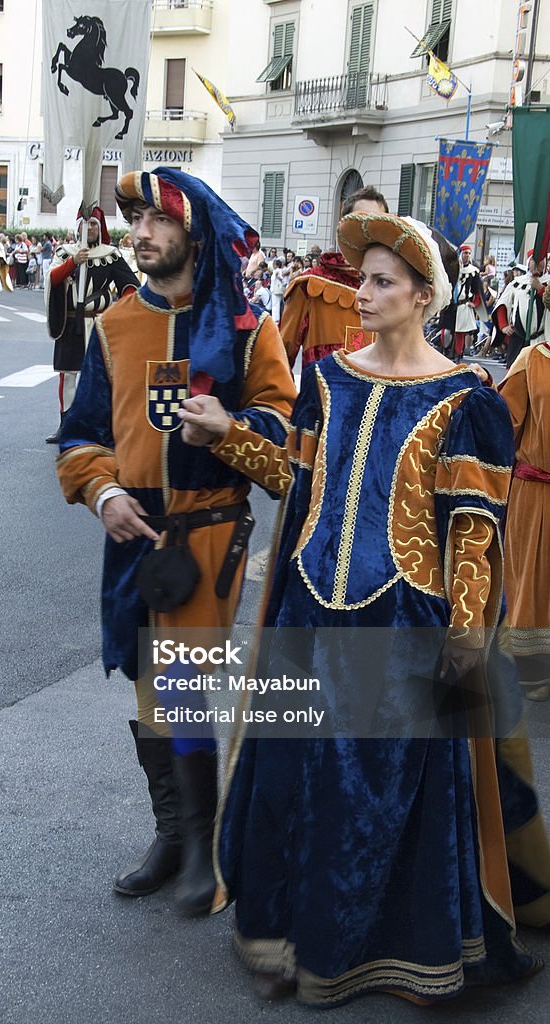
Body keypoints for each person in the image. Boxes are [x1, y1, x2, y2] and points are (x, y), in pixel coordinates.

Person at [214, 211, 550, 1007]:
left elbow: (472, 527)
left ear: (422, 296)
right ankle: (286, 934)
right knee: (291, 776)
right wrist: (225, 433)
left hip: (402, 620)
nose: (358, 292)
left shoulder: (465, 398)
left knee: (375, 791)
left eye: (379, 281)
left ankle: (365, 948)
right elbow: (296, 485)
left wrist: (466, 633)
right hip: (306, 612)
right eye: (360, 277)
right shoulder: (326, 379)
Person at [55, 167, 297, 916]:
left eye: (154, 221)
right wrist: (103, 491)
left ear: (192, 233)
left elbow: (285, 439)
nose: (139, 234)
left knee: (182, 688)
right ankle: (172, 833)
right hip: (131, 535)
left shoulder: (246, 328)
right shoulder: (115, 326)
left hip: (207, 531)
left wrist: (231, 432)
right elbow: (80, 435)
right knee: (145, 685)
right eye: (133, 222)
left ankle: (203, 849)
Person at [45, 207, 139, 444]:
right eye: (86, 224)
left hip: (100, 324)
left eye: (95, 224)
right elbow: (53, 279)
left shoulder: (111, 254)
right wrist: (73, 263)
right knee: (68, 376)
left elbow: (130, 285)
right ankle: (66, 424)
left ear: (101, 228)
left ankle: (100, 425)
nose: (91, 229)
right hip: (70, 323)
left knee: (103, 376)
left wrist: (121, 312)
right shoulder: (66, 252)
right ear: (78, 227)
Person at [279, 185, 388, 368]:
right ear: (343, 228)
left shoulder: (395, 289)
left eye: (378, 224)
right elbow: (279, 360)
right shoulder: (311, 284)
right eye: (360, 223)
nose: (369, 232)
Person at [499, 334, 550, 700]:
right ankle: (533, 670)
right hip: (536, 493)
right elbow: (501, 424)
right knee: (532, 582)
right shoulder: (532, 360)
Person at [493, 255, 547, 367]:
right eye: (534, 260)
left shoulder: (548, 282)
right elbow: (502, 303)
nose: (537, 264)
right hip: (518, 338)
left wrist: (540, 288)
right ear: (528, 263)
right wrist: (503, 326)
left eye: (541, 260)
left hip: (540, 339)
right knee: (514, 376)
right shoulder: (517, 283)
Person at [451, 244, 484, 358]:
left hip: (464, 304)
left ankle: (458, 353)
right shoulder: (453, 268)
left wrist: (475, 303)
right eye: (465, 253)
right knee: (447, 331)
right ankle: (448, 351)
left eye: (469, 253)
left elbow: (477, 289)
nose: (467, 255)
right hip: (451, 304)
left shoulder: (473, 271)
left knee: (460, 332)